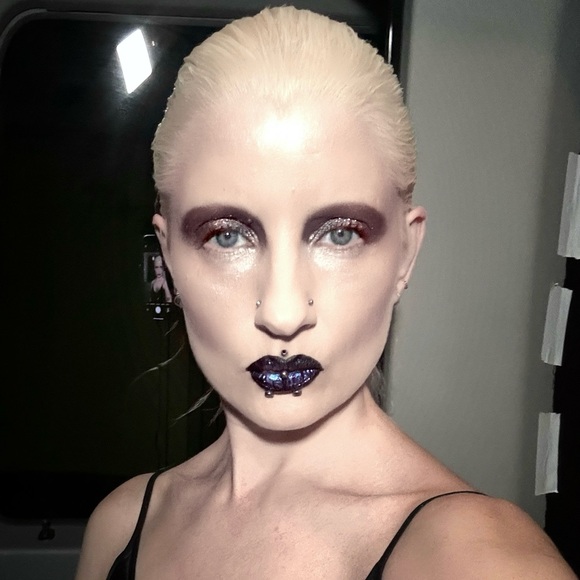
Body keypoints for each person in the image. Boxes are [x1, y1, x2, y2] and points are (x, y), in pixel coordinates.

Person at [76, 6, 576, 579]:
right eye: (227, 236)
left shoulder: (479, 561)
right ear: (169, 260)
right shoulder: (119, 526)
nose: (284, 313)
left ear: (406, 253)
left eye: (340, 234)